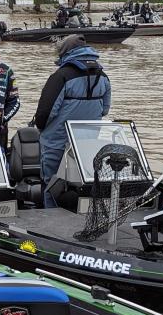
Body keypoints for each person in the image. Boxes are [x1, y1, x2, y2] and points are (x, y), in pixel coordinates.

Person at [32, 34, 111, 209]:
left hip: (56, 142)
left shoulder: (61, 76)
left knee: (51, 182)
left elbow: (44, 113)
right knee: (81, 182)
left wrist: (41, 128)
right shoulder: (103, 76)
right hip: (86, 143)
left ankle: (50, 219)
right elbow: (105, 109)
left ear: (65, 52)